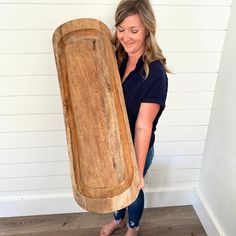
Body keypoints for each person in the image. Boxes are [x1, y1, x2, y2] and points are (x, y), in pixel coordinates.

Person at [100, 0, 169, 235]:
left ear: (148, 29)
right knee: (116, 187)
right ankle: (118, 219)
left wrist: (138, 171)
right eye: (121, 30)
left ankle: (133, 226)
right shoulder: (117, 58)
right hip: (115, 143)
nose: (125, 37)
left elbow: (142, 127)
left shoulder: (155, 73)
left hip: (137, 147)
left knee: (133, 190)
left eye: (134, 31)